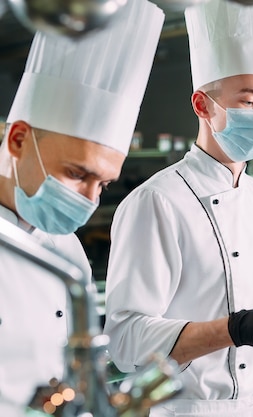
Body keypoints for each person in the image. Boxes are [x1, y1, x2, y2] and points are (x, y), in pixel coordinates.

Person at [103, 1, 253, 416]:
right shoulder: (157, 202)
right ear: (202, 105)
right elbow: (126, 342)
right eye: (249, 102)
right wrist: (236, 330)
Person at [0, 1, 164, 415]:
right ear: (18, 139)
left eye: (103, 184)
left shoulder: (68, 250)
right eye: (76, 173)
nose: (88, 200)